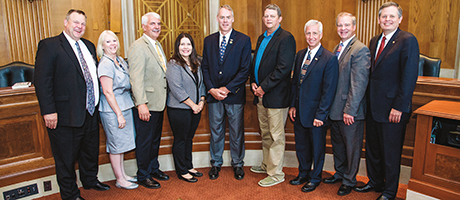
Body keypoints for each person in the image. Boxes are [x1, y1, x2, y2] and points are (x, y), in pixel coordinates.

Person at [34, 9, 110, 200]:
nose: (80, 27)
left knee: (90, 150)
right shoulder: (50, 46)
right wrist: (49, 111)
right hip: (65, 114)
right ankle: (70, 194)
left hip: (90, 111)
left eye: (83, 24)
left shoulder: (89, 46)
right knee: (66, 158)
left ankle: (90, 180)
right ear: (66, 22)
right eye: (76, 22)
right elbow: (43, 82)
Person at [354, 2, 419, 200]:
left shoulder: (407, 40)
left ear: (400, 19)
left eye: (392, 16)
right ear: (379, 19)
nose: (387, 20)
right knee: (373, 149)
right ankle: (375, 182)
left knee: (390, 153)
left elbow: (408, 77)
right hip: (374, 107)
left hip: (393, 109)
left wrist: (399, 106)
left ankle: (390, 191)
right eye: (384, 16)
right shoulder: (374, 41)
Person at [322, 12, 370, 196]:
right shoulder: (337, 47)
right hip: (335, 109)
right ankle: (340, 173)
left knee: (352, 148)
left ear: (354, 27)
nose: (343, 28)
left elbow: (358, 85)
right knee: (338, 146)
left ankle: (349, 180)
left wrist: (350, 110)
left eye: (347, 25)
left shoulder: (360, 50)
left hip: (350, 111)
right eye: (340, 25)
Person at [202, 4, 251, 180]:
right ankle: (216, 163)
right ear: (217, 19)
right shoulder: (209, 40)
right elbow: (205, 68)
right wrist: (211, 89)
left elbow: (245, 70)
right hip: (214, 96)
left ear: (233, 19)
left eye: (228, 17)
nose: (225, 21)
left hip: (234, 96)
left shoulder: (243, 40)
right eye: (222, 17)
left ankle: (238, 164)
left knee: (236, 132)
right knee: (216, 131)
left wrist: (227, 89)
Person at [289, 19, 338, 193]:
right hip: (299, 111)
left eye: (314, 33)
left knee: (317, 148)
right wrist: (292, 106)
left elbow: (329, 90)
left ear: (321, 35)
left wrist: (321, 115)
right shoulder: (300, 55)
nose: (311, 37)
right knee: (301, 145)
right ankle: (303, 173)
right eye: (308, 33)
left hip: (317, 114)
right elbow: (295, 83)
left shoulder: (329, 58)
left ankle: (315, 177)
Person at [249, 4, 296, 187]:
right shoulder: (262, 38)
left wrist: (264, 87)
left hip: (275, 96)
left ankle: (276, 174)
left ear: (279, 18)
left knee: (277, 136)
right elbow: (257, 63)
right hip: (260, 94)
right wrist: (253, 81)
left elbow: (283, 68)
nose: (268, 19)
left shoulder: (286, 38)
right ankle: (267, 164)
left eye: (272, 16)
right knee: (266, 133)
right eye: (266, 16)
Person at [128, 12, 170, 189]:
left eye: (159, 23)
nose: (157, 27)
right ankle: (143, 174)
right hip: (146, 104)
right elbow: (135, 78)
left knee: (154, 139)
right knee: (145, 141)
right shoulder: (138, 46)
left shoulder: (157, 44)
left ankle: (153, 168)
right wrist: (141, 103)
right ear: (143, 26)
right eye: (152, 24)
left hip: (159, 102)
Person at [96, 30, 138, 190]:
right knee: (115, 145)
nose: (112, 44)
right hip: (113, 110)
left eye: (114, 41)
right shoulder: (105, 63)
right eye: (108, 42)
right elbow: (107, 92)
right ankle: (119, 179)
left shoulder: (119, 60)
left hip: (125, 104)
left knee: (121, 145)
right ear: (102, 46)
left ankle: (123, 174)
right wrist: (118, 114)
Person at [166, 33, 206, 183]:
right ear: (177, 47)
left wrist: (201, 101)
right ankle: (181, 170)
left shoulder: (197, 62)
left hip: (196, 108)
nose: (185, 47)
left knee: (189, 138)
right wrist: (193, 105)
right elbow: (176, 89)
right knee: (180, 139)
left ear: (192, 46)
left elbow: (201, 84)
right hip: (179, 109)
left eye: (188, 44)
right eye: (182, 44)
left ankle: (189, 166)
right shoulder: (173, 64)